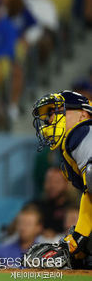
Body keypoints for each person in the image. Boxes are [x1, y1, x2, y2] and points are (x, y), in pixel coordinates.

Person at [32, 90, 92, 266]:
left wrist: (77, 239)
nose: (50, 119)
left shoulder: (83, 131)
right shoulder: (68, 150)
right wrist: (78, 239)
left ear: (83, 115)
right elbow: (89, 195)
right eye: (49, 115)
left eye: (57, 112)